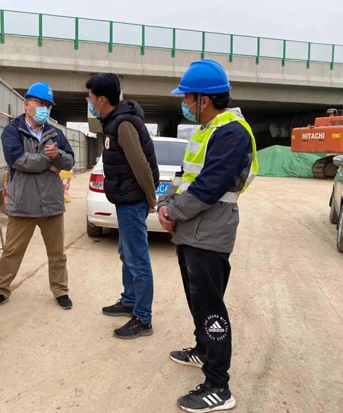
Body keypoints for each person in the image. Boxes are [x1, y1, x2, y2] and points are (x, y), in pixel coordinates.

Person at [158, 59, 258, 412]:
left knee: (211, 307)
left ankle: (219, 385)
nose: (184, 103)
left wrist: (173, 212)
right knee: (196, 299)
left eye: (187, 97)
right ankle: (203, 350)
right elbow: (184, 176)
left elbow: (209, 187)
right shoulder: (205, 131)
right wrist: (165, 204)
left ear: (204, 99)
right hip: (192, 231)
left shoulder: (231, 132)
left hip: (210, 233)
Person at [0, 82, 75, 311]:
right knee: (12, 251)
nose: (44, 108)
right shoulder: (12, 131)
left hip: (51, 203)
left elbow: (70, 161)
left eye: (48, 105)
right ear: (26, 104)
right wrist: (49, 162)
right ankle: (0, 290)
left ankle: (61, 290)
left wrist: (58, 156)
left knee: (57, 253)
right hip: (23, 203)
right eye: (40, 103)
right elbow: (17, 160)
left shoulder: (55, 133)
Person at [86, 73, 159, 339]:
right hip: (125, 198)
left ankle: (142, 318)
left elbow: (140, 164)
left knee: (137, 259)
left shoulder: (123, 123)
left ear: (102, 99)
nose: (89, 101)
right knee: (126, 252)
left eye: (91, 97)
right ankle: (129, 300)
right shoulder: (114, 122)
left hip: (133, 199)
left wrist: (150, 199)